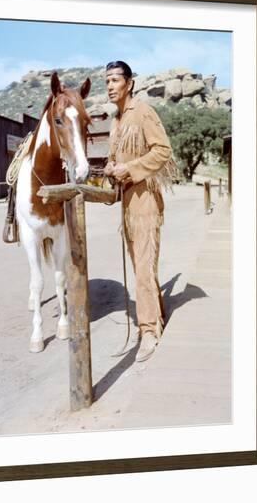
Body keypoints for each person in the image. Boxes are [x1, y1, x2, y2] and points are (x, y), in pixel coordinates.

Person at [103, 61, 178, 362]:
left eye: (115, 80)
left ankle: (149, 330)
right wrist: (111, 169)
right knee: (140, 267)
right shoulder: (116, 120)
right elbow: (115, 159)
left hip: (146, 201)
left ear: (129, 83)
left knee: (144, 270)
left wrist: (130, 169)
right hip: (127, 205)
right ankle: (155, 315)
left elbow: (163, 151)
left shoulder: (143, 112)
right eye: (106, 80)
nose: (109, 86)